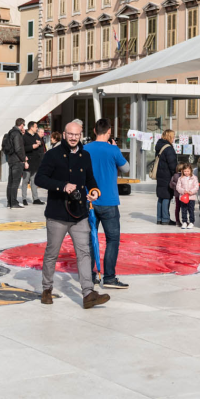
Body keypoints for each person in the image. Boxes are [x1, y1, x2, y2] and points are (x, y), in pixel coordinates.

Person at [34, 119, 110, 309]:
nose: (74, 137)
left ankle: (88, 293)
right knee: (52, 253)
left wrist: (94, 190)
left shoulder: (85, 155)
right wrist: (62, 186)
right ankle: (46, 289)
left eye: (77, 134)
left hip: (79, 213)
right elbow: (39, 179)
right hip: (57, 214)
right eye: (70, 134)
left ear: (81, 134)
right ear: (65, 134)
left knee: (84, 252)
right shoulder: (52, 155)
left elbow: (90, 178)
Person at [83, 118, 130, 289]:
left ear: (94, 131)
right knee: (112, 239)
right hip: (109, 201)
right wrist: (114, 150)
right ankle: (109, 277)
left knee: (89, 240)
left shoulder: (85, 149)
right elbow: (126, 168)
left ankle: (89, 275)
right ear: (109, 131)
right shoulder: (113, 150)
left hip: (89, 200)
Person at [3, 118, 28, 209]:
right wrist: (23, 160)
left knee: (10, 182)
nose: (24, 127)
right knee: (15, 183)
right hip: (17, 161)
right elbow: (18, 148)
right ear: (21, 125)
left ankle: (9, 202)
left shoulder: (11, 132)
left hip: (11, 159)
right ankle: (13, 202)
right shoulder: (17, 134)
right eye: (24, 125)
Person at [154, 130, 178, 225]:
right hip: (167, 175)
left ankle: (159, 218)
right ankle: (165, 219)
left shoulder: (159, 146)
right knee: (166, 196)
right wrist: (175, 174)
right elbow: (172, 164)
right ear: (169, 137)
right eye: (173, 136)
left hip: (160, 175)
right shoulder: (169, 149)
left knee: (161, 197)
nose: (174, 138)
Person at [21, 121, 46, 206]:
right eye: (36, 127)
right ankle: (24, 198)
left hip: (36, 162)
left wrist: (39, 145)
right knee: (25, 180)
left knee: (34, 181)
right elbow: (22, 149)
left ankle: (35, 198)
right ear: (31, 127)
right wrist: (32, 147)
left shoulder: (36, 136)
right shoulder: (24, 137)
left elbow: (40, 149)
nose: (37, 129)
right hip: (28, 162)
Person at [175, 163, 199, 229]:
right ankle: (184, 222)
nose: (186, 173)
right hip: (183, 198)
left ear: (191, 170)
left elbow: (196, 187)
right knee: (184, 210)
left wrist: (191, 192)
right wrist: (183, 191)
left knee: (191, 210)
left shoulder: (194, 178)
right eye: (185, 171)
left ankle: (191, 222)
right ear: (182, 171)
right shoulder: (180, 178)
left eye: (188, 171)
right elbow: (178, 187)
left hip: (191, 197)